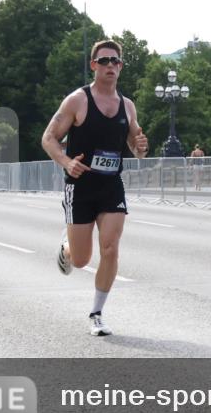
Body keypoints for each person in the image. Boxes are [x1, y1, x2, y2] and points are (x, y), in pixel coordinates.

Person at [41, 39, 148, 337]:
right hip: (81, 187)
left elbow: (135, 147)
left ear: (121, 67)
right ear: (93, 65)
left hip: (112, 185)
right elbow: (48, 138)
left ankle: (97, 313)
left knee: (111, 249)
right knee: (82, 258)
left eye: (115, 61)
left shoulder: (127, 105)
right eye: (104, 61)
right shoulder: (78, 100)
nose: (111, 65)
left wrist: (140, 147)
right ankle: (68, 248)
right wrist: (65, 162)